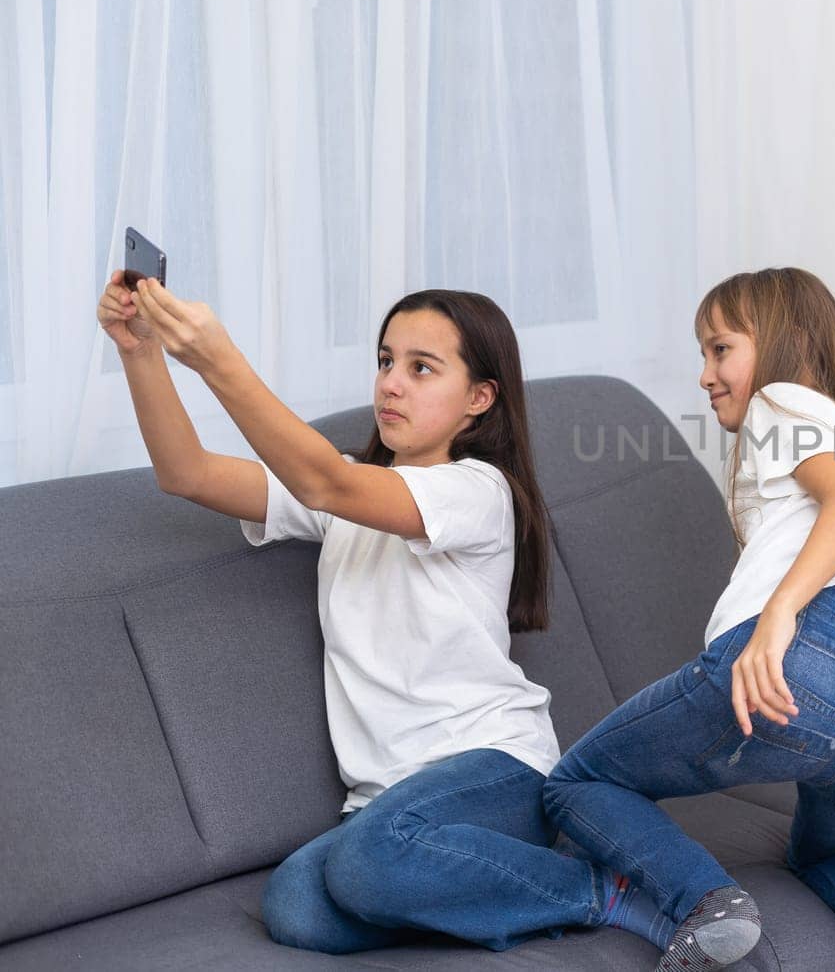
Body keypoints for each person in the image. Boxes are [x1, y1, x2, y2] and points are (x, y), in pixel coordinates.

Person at [96, 274, 669, 954]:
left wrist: (219, 358)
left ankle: (598, 889)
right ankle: (460, 883)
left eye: (421, 368)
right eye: (386, 361)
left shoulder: (475, 491)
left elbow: (326, 481)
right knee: (295, 905)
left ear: (479, 400)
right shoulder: (342, 499)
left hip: (494, 768)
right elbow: (185, 472)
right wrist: (140, 352)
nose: (391, 383)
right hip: (385, 800)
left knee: (365, 863)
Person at [543, 267, 835, 972]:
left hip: (805, 654)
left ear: (789, 343)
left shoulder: (780, 402)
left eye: (720, 349)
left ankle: (710, 903)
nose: (705, 375)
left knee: (576, 780)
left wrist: (780, 612)